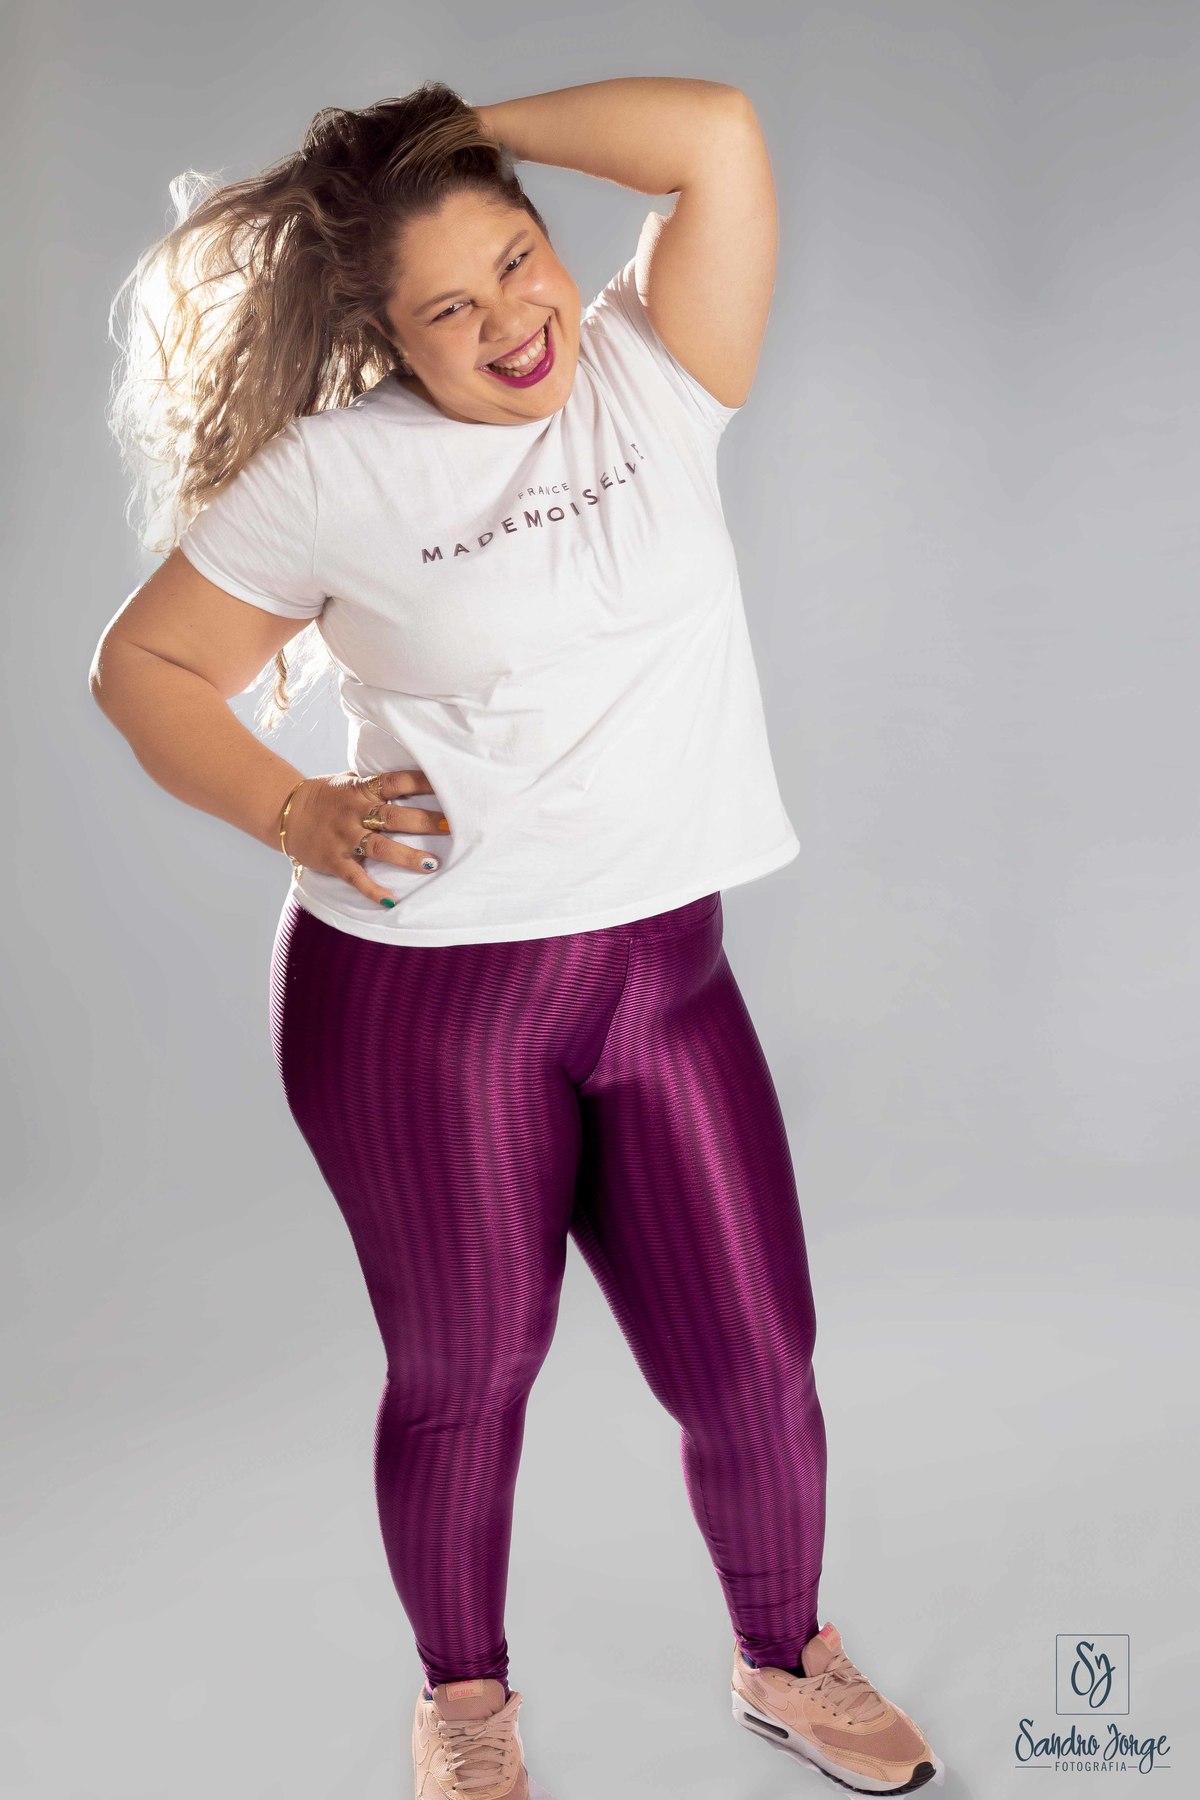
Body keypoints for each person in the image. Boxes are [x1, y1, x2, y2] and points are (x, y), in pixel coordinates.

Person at [92, 76, 944, 1799]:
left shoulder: (651, 371)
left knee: (757, 1363)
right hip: (425, 1006)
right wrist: (293, 807)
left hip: (662, 976)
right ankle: (465, 1701)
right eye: (447, 309)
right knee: (469, 1371)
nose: (508, 320)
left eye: (514, 259)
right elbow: (143, 667)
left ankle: (785, 1656)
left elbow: (716, 136)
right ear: (386, 338)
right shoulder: (333, 473)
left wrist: (441, 137)